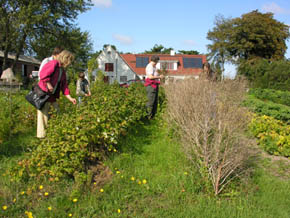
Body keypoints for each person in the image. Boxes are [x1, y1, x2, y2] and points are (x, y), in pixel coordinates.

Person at [37, 50, 76, 138]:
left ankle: (53, 135)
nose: (70, 63)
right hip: (44, 95)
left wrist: (70, 98)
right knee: (43, 117)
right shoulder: (54, 63)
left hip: (52, 96)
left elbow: (64, 86)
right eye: (70, 60)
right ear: (65, 59)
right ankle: (42, 137)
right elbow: (43, 74)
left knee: (57, 113)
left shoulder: (62, 71)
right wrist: (48, 83)